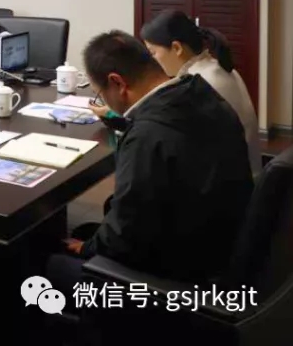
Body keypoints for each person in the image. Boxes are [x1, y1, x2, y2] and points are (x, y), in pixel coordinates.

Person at [48, 31, 253, 293]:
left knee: (51, 262)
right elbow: (176, 139)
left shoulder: (147, 137)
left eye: (100, 94)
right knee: (87, 230)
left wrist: (87, 249)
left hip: (181, 277)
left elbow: (125, 233)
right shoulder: (199, 92)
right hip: (218, 244)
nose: (103, 101)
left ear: (117, 83)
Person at [141, 10, 261, 176]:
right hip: (248, 174)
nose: (152, 60)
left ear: (176, 48)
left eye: (153, 53)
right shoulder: (218, 67)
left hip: (232, 182)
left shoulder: (197, 84)